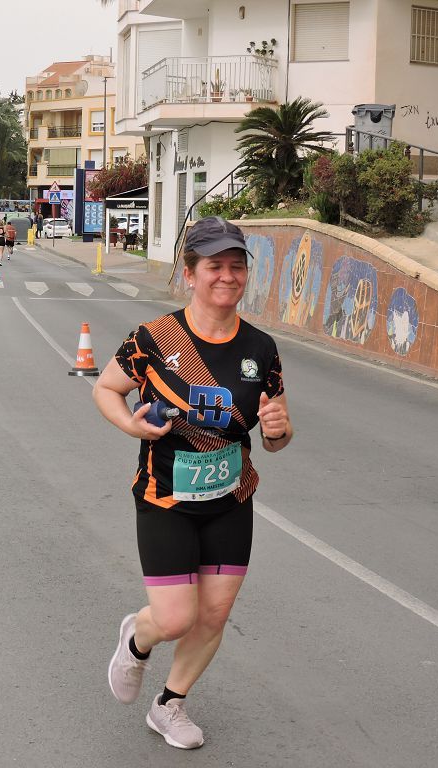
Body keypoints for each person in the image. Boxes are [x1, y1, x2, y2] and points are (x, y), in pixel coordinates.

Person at [92, 216, 292, 750]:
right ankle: (137, 639)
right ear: (189, 273)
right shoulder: (153, 339)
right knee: (176, 617)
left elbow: (275, 429)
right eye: (214, 267)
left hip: (232, 498)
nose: (227, 277)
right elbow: (107, 390)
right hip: (166, 499)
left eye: (237, 266)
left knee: (215, 613)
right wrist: (131, 423)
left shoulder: (262, 349)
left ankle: (169, 705)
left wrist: (278, 431)